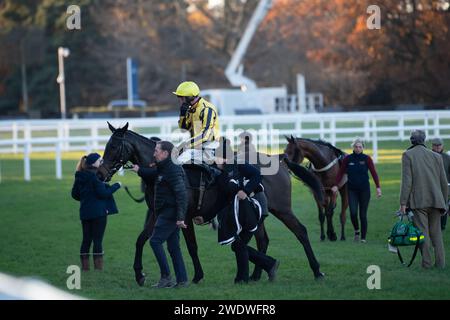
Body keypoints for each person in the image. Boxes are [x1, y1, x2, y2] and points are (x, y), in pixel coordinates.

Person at [214, 138, 279, 284]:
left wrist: (246, 190)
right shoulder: (223, 172)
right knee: (238, 245)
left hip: (256, 207)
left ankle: (245, 277)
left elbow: (258, 175)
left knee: (239, 245)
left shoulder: (239, 164)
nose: (214, 159)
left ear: (224, 157)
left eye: (216, 156)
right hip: (242, 210)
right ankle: (267, 266)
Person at [131, 141, 189, 288]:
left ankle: (166, 277)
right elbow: (153, 173)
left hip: (170, 213)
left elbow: (181, 195)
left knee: (155, 241)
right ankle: (182, 280)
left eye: (157, 150)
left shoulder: (173, 170)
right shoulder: (164, 167)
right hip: (167, 212)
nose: (154, 153)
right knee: (173, 247)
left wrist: (180, 218)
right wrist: (139, 170)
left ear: (165, 153)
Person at [400, 130, 447, 269]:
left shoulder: (407, 155)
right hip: (437, 200)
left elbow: (407, 181)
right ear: (424, 140)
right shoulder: (436, 156)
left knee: (423, 234)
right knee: (436, 234)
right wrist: (444, 202)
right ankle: (440, 264)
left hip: (419, 201)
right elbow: (444, 182)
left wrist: (403, 202)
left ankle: (426, 264)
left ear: (411, 140)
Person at [71, 153, 121, 271]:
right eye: (100, 160)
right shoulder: (94, 177)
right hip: (99, 214)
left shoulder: (79, 176)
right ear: (93, 163)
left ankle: (85, 267)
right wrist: (116, 185)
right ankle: (98, 268)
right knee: (97, 240)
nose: (101, 162)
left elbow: (75, 195)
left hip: (85, 212)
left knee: (86, 239)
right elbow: (103, 194)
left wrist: (87, 198)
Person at [331, 138, 381, 243]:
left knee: (363, 214)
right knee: (353, 213)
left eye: (360, 147)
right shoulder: (348, 159)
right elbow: (340, 173)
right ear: (353, 147)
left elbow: (374, 173)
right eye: (356, 147)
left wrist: (378, 188)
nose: (358, 148)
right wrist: (335, 185)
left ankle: (363, 238)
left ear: (363, 148)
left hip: (364, 190)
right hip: (352, 190)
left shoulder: (367, 159)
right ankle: (357, 231)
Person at [174, 81, 220, 166]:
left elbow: (206, 135)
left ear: (189, 97)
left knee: (179, 161)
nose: (180, 100)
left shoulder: (207, 109)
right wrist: (182, 115)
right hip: (196, 145)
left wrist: (186, 145)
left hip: (209, 146)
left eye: (181, 98)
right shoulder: (191, 109)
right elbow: (184, 130)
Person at [431, 137, 450, 231]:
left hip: (444, 187)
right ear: (432, 146)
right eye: (435, 145)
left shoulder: (447, 157)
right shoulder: (428, 157)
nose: (437, 147)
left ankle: (442, 226)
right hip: (431, 187)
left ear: (443, 146)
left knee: (444, 206)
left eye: (439, 145)